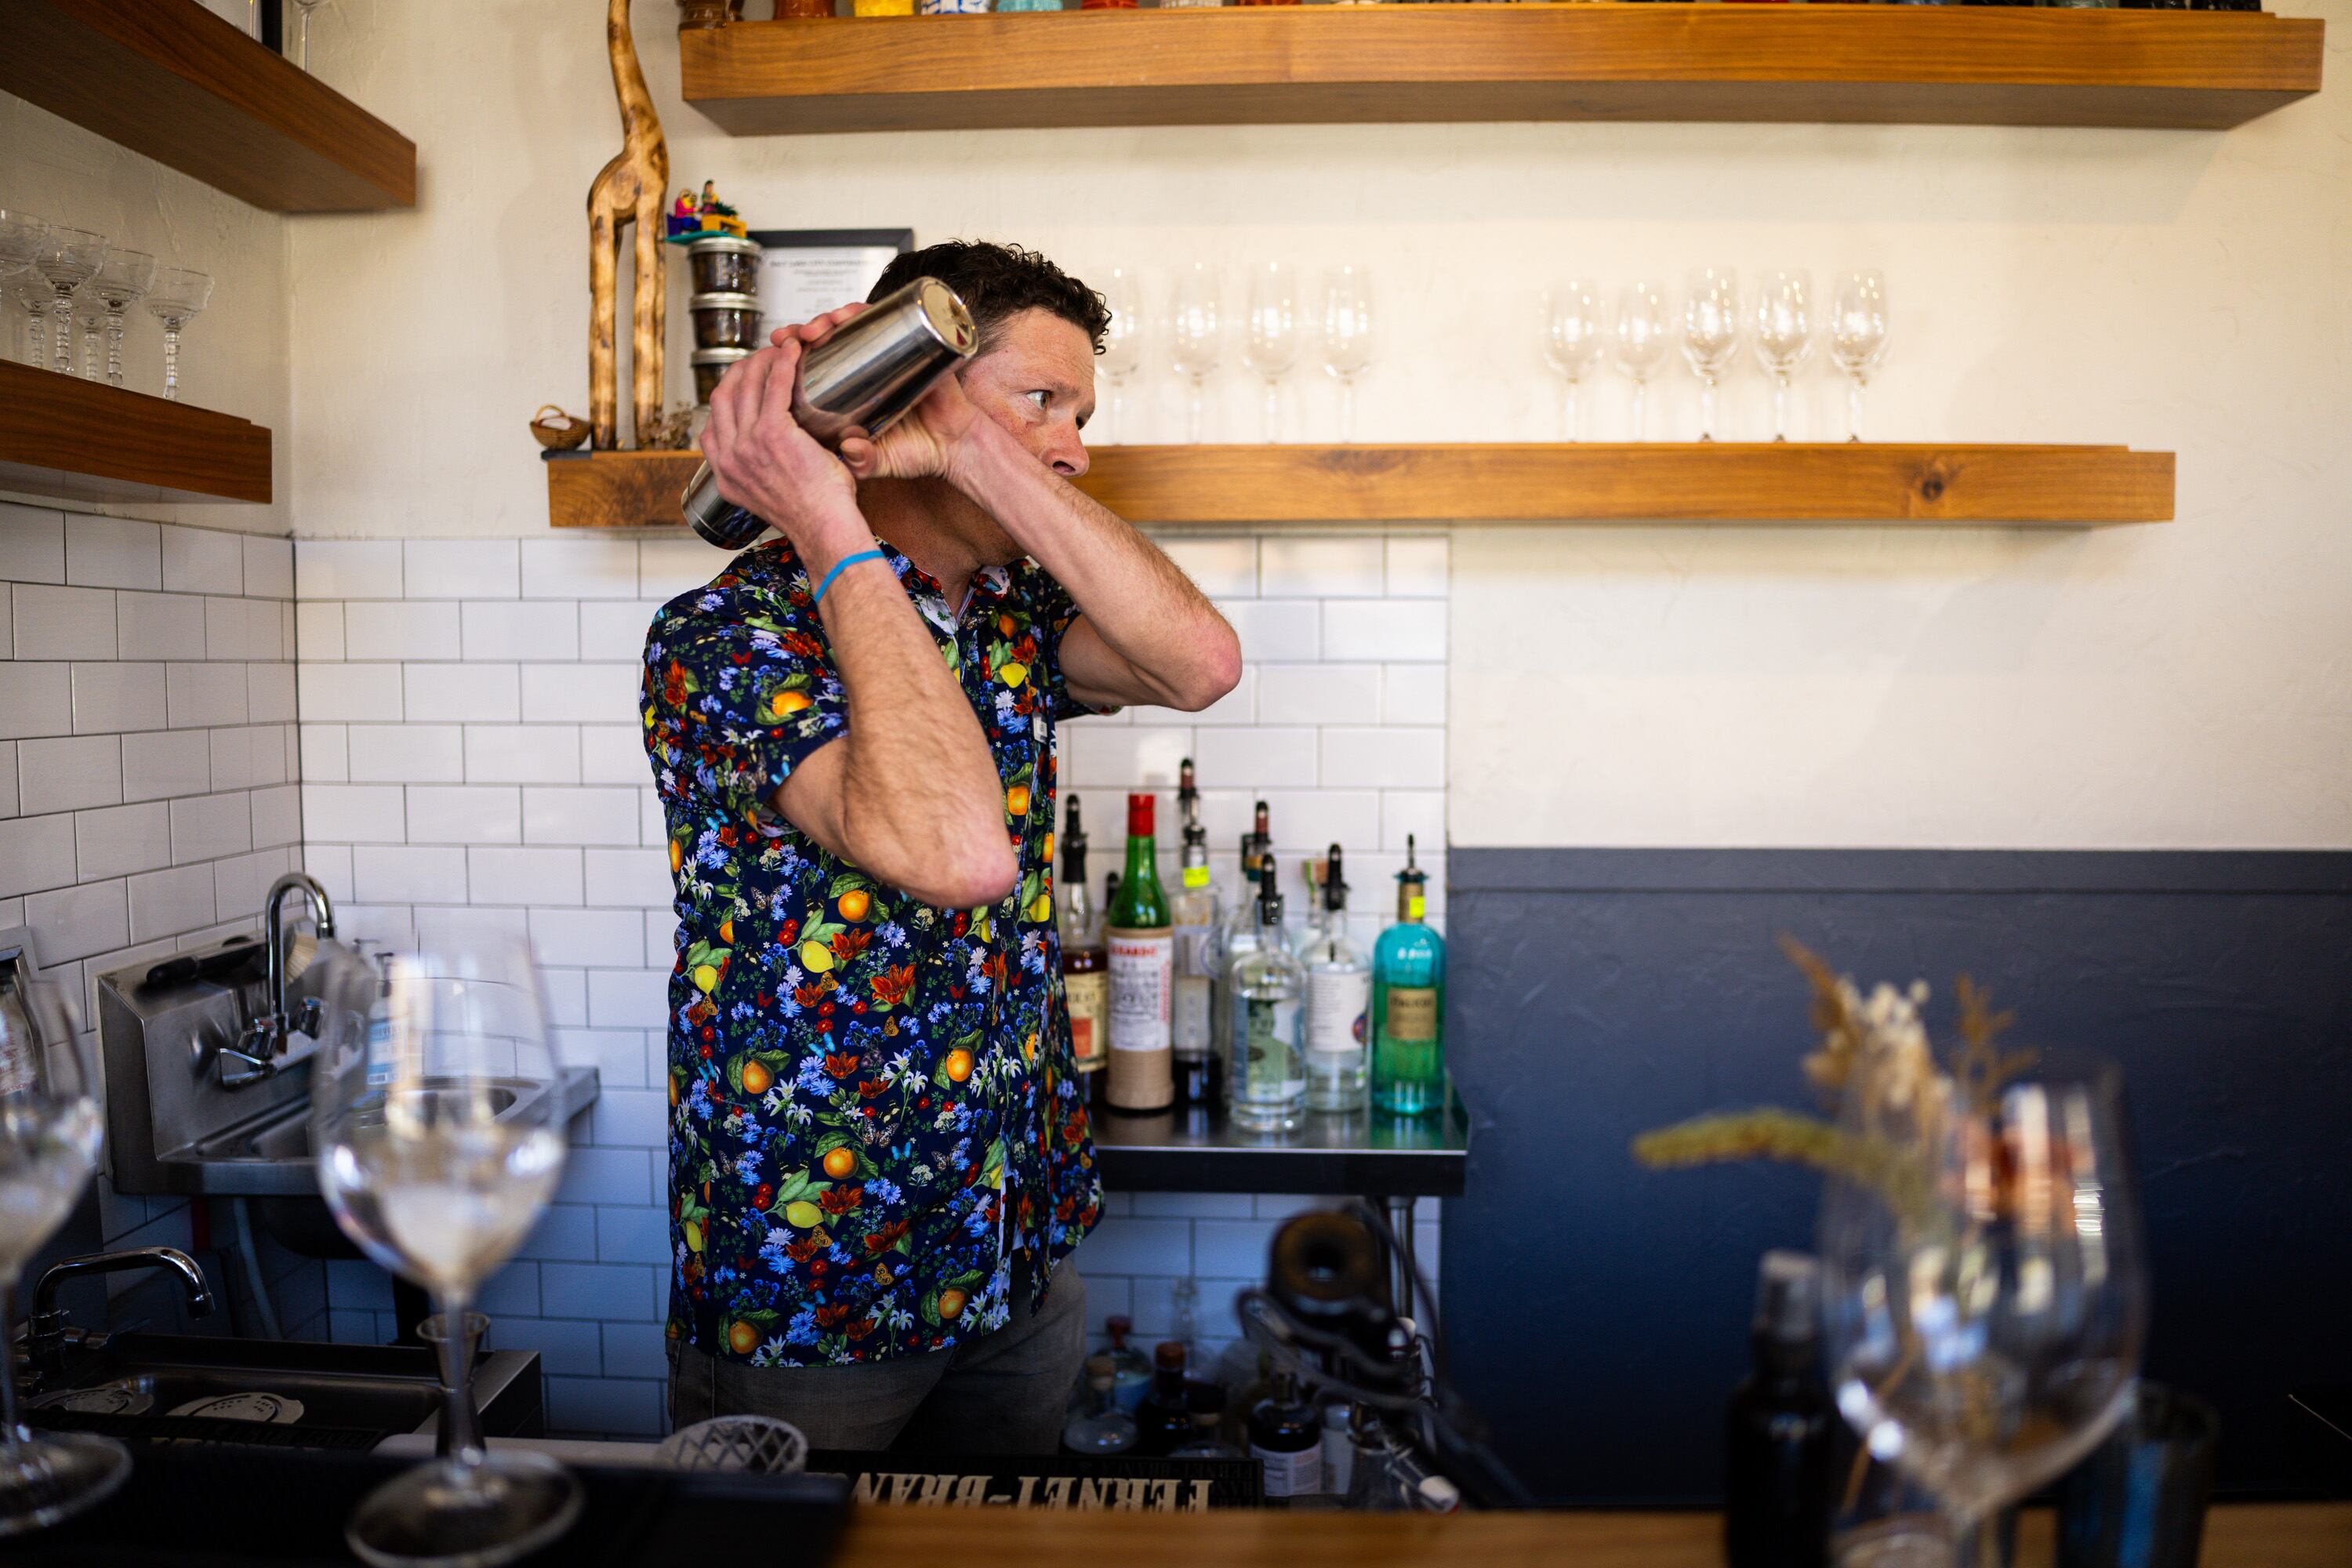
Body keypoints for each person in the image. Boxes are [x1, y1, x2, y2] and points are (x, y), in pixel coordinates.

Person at [643, 241, 1242, 1454]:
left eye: (1082, 416)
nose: (1074, 447)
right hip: (819, 1280)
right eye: (1042, 401)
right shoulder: (730, 633)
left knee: (1005, 1545)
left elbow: (1202, 665)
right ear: (903, 388)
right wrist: (825, 513)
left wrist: (979, 444)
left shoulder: (1012, 615)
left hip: (1015, 1251)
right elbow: (960, 855)